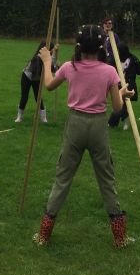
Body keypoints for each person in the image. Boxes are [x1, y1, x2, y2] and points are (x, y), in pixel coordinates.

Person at [33, 24, 134, 247]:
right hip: (98, 126)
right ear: (101, 46)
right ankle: (120, 238)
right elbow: (117, 107)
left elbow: (49, 85)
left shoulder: (70, 67)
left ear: (78, 45)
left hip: (75, 124)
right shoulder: (109, 71)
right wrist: (122, 93)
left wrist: (47, 62)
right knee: (106, 179)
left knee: (63, 178)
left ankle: (43, 235)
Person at [108, 42, 140, 130]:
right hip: (117, 87)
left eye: (118, 50)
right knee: (118, 105)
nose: (117, 52)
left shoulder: (133, 59)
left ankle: (124, 123)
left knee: (126, 106)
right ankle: (113, 123)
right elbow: (109, 71)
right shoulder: (114, 60)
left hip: (129, 86)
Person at [15, 40, 59, 123]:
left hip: (37, 78)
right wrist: (53, 62)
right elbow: (48, 66)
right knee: (24, 97)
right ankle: (19, 116)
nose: (52, 51)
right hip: (27, 77)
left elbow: (50, 67)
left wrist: (56, 65)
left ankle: (43, 117)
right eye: (52, 49)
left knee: (38, 97)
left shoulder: (47, 57)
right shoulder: (38, 57)